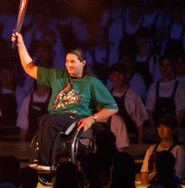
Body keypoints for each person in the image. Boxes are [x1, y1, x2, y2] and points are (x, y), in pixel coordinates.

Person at [14, 32, 118, 171]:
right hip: (56, 117)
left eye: (73, 61)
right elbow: (30, 68)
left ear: (83, 63)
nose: (68, 64)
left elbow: (112, 108)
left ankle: (47, 162)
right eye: (67, 61)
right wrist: (21, 44)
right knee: (44, 119)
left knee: (50, 121)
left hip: (76, 117)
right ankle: (37, 159)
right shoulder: (57, 75)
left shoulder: (91, 82)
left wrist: (92, 119)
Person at [140, 114, 185, 183]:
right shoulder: (151, 149)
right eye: (159, 127)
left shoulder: (178, 150)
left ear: (173, 130)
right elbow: (145, 173)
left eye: (165, 127)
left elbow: (178, 176)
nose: (161, 130)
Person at [108, 62, 147, 145]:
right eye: (114, 74)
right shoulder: (106, 96)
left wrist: (140, 144)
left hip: (130, 140)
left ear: (126, 76)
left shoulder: (133, 96)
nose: (117, 77)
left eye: (120, 74)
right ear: (110, 77)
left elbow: (140, 123)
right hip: (111, 141)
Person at [145, 57, 185, 126]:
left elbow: (182, 112)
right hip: (157, 129)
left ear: (172, 67)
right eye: (162, 65)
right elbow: (149, 111)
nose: (165, 68)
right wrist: (154, 128)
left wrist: (173, 130)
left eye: (168, 65)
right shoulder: (153, 87)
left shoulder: (179, 87)